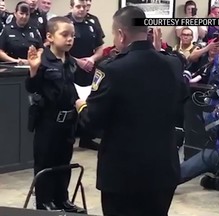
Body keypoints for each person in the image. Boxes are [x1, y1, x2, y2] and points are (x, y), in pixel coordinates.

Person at [76, 6, 185, 216]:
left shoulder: (111, 69)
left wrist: (81, 105)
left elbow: (92, 122)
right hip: (163, 169)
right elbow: (180, 106)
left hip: (123, 175)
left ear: (121, 34)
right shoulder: (172, 64)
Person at [25, 16, 85, 213]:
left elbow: (71, 89)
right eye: (64, 35)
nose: (70, 39)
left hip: (68, 122)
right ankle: (44, 201)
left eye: (72, 36)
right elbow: (32, 88)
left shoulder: (69, 61)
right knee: (46, 162)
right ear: (49, 37)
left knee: (64, 162)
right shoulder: (42, 60)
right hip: (48, 122)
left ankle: (62, 199)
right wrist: (33, 72)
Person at [66, 0, 104, 150]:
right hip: (70, 67)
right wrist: (78, 62)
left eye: (84, 6)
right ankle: (68, 138)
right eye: (78, 6)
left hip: (89, 68)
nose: (82, 9)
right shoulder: (65, 22)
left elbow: (100, 46)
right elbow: (59, 48)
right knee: (71, 102)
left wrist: (92, 59)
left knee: (90, 102)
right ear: (71, 7)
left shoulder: (92, 22)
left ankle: (86, 138)